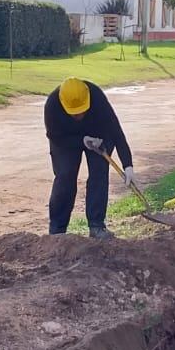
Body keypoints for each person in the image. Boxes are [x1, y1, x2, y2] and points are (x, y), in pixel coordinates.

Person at [44, 77, 136, 239]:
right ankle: (57, 230)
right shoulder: (52, 105)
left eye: (82, 109)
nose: (79, 114)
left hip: (98, 135)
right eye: (74, 112)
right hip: (65, 140)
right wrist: (81, 140)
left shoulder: (96, 97)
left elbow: (115, 130)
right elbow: (54, 136)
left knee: (99, 173)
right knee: (65, 175)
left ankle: (96, 226)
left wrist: (128, 165)